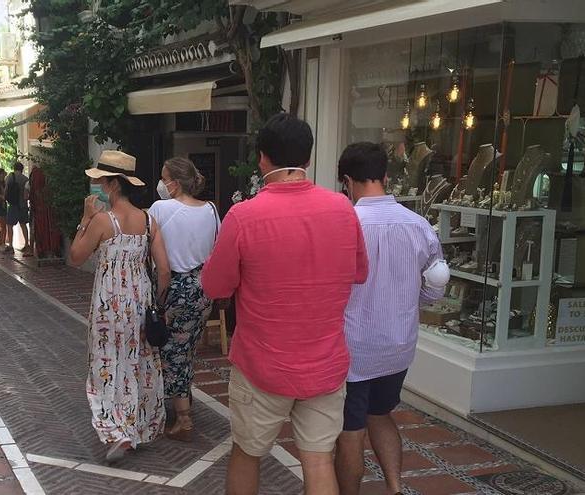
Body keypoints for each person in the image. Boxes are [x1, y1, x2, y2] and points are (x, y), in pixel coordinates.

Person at [202, 114, 368, 495]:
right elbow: (359, 272)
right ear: (308, 159)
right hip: (325, 362)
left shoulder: (244, 216)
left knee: (246, 452)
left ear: (263, 159)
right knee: (319, 458)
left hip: (263, 363)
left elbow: (215, 285)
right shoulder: (343, 209)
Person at [335, 142, 448, 495]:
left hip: (353, 347)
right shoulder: (418, 226)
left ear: (346, 181)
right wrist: (412, 300)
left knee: (350, 430)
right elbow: (437, 284)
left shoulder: (345, 225)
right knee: (381, 415)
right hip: (399, 344)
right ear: (385, 176)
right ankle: (396, 487)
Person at [68, 150, 169, 461]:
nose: (97, 186)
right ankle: (136, 426)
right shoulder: (149, 220)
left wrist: (84, 220)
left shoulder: (101, 221)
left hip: (107, 307)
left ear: (112, 185)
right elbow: (164, 270)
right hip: (140, 303)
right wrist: (158, 306)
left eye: (100, 181)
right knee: (136, 363)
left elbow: (76, 257)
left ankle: (116, 432)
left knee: (107, 365)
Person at [148, 157, 219, 441]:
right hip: (203, 287)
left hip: (174, 285)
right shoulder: (211, 210)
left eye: (164, 178)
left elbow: (156, 259)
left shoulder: (160, 208)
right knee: (186, 348)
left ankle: (184, 417)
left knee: (171, 353)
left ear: (174, 183)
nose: (161, 184)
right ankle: (183, 401)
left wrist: (159, 299)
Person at [5, 162, 32, 255]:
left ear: (14, 168)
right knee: (23, 224)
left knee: (9, 225)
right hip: (23, 205)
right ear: (22, 169)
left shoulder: (10, 177)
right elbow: (28, 192)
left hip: (13, 205)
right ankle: (26, 244)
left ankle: (11, 245)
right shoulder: (26, 179)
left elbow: (6, 190)